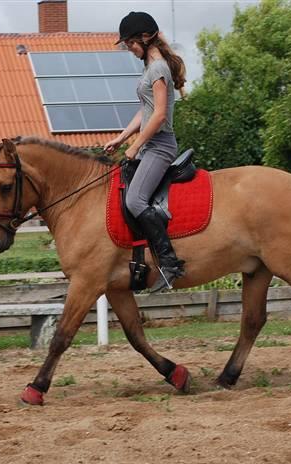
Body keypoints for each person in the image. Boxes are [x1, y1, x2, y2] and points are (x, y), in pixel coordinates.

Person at [103, 11, 187, 292]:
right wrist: (122, 137)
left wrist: (137, 145)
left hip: (160, 147)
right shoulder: (150, 69)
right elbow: (145, 110)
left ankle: (170, 263)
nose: (128, 48)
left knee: (136, 201)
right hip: (148, 146)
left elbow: (160, 114)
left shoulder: (158, 68)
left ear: (145, 37)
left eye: (129, 43)